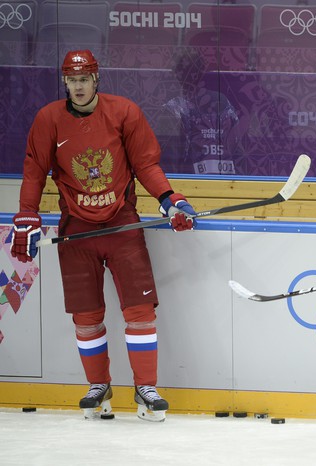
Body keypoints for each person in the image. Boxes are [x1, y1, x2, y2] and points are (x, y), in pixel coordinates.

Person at [10, 50, 197, 422]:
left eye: (85, 79)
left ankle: (146, 387)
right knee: (86, 315)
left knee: (140, 312)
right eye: (72, 80)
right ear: (65, 82)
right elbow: (34, 170)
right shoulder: (49, 119)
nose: (78, 86)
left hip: (121, 225)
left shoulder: (124, 112)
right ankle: (99, 385)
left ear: (97, 79)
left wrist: (168, 199)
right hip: (77, 230)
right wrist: (27, 213)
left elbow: (145, 163)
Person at [160, 49, 240, 175]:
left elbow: (171, 158)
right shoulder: (223, 101)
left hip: (190, 181)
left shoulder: (174, 107)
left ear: (177, 74)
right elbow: (238, 147)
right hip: (228, 180)